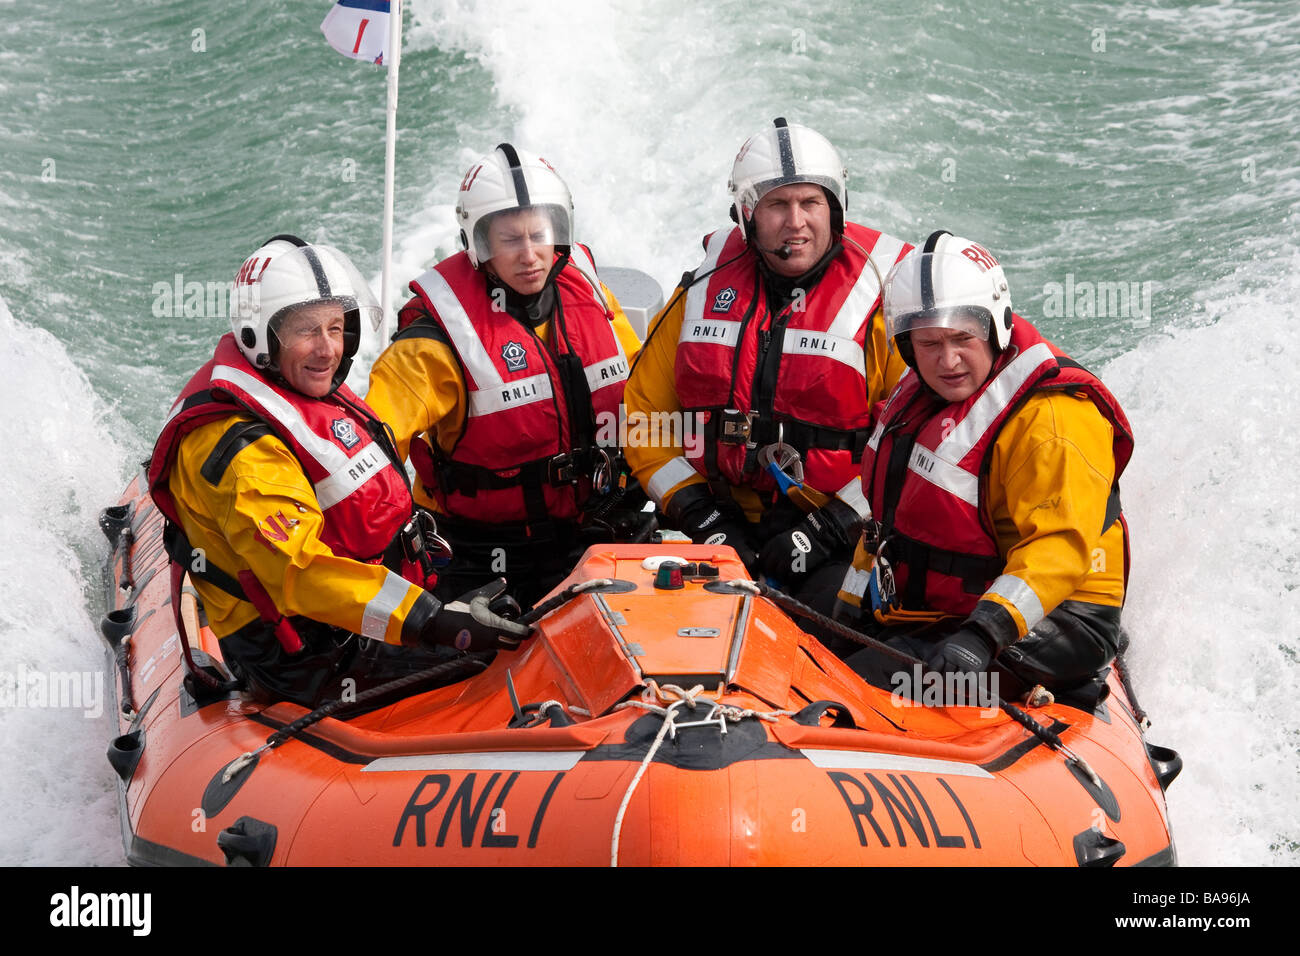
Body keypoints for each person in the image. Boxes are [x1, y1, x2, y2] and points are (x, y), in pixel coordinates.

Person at [148, 235, 531, 708]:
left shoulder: (296, 386)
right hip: (306, 657)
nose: (327, 349)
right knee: (499, 665)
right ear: (259, 334)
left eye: (336, 327)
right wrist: (432, 621)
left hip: (350, 617)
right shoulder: (244, 455)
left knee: (519, 608)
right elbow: (299, 573)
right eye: (307, 330)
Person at [622, 117, 913, 606]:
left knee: (830, 633)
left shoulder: (885, 299)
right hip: (717, 524)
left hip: (843, 535)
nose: (795, 222)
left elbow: (915, 444)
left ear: (836, 208)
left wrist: (830, 527)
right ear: (747, 213)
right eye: (778, 204)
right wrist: (700, 515)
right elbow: (644, 420)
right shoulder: (702, 289)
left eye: (811, 203)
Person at [836, 230, 1134, 705]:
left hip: (1059, 617)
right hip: (950, 613)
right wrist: (845, 615)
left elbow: (1058, 547)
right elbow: (882, 526)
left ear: (995, 327)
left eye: (962, 339)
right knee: (833, 659)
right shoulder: (916, 397)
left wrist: (982, 636)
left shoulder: (1053, 419)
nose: (947, 360)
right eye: (929, 343)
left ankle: (1071, 692)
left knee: (872, 686)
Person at [366, 145, 643, 610]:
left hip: (597, 524)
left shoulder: (590, 292)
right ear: (479, 245)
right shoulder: (432, 343)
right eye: (509, 239)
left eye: (539, 234)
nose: (530, 255)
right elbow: (371, 450)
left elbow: (644, 397)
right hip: (479, 554)